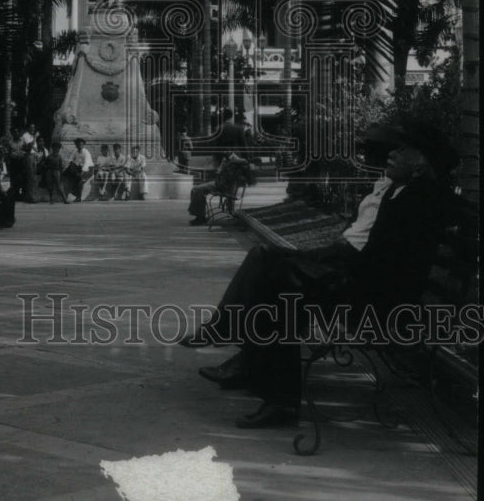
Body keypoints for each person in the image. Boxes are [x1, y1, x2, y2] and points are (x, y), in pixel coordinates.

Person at [179, 122, 459, 428]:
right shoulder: (403, 192)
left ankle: (276, 394)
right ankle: (258, 373)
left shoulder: (420, 200)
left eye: (402, 150)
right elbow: (378, 257)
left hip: (381, 305)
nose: (392, 153)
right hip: (367, 287)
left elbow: (387, 265)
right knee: (272, 264)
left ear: (421, 164)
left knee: (282, 284)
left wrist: (327, 274)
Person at [188, 151, 252, 226]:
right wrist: (222, 166)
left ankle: (200, 217)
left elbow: (244, 162)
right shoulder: (228, 161)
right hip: (219, 183)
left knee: (197, 190)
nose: (226, 152)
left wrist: (232, 159)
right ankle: (199, 215)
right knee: (195, 189)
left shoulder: (236, 162)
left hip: (222, 186)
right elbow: (219, 173)